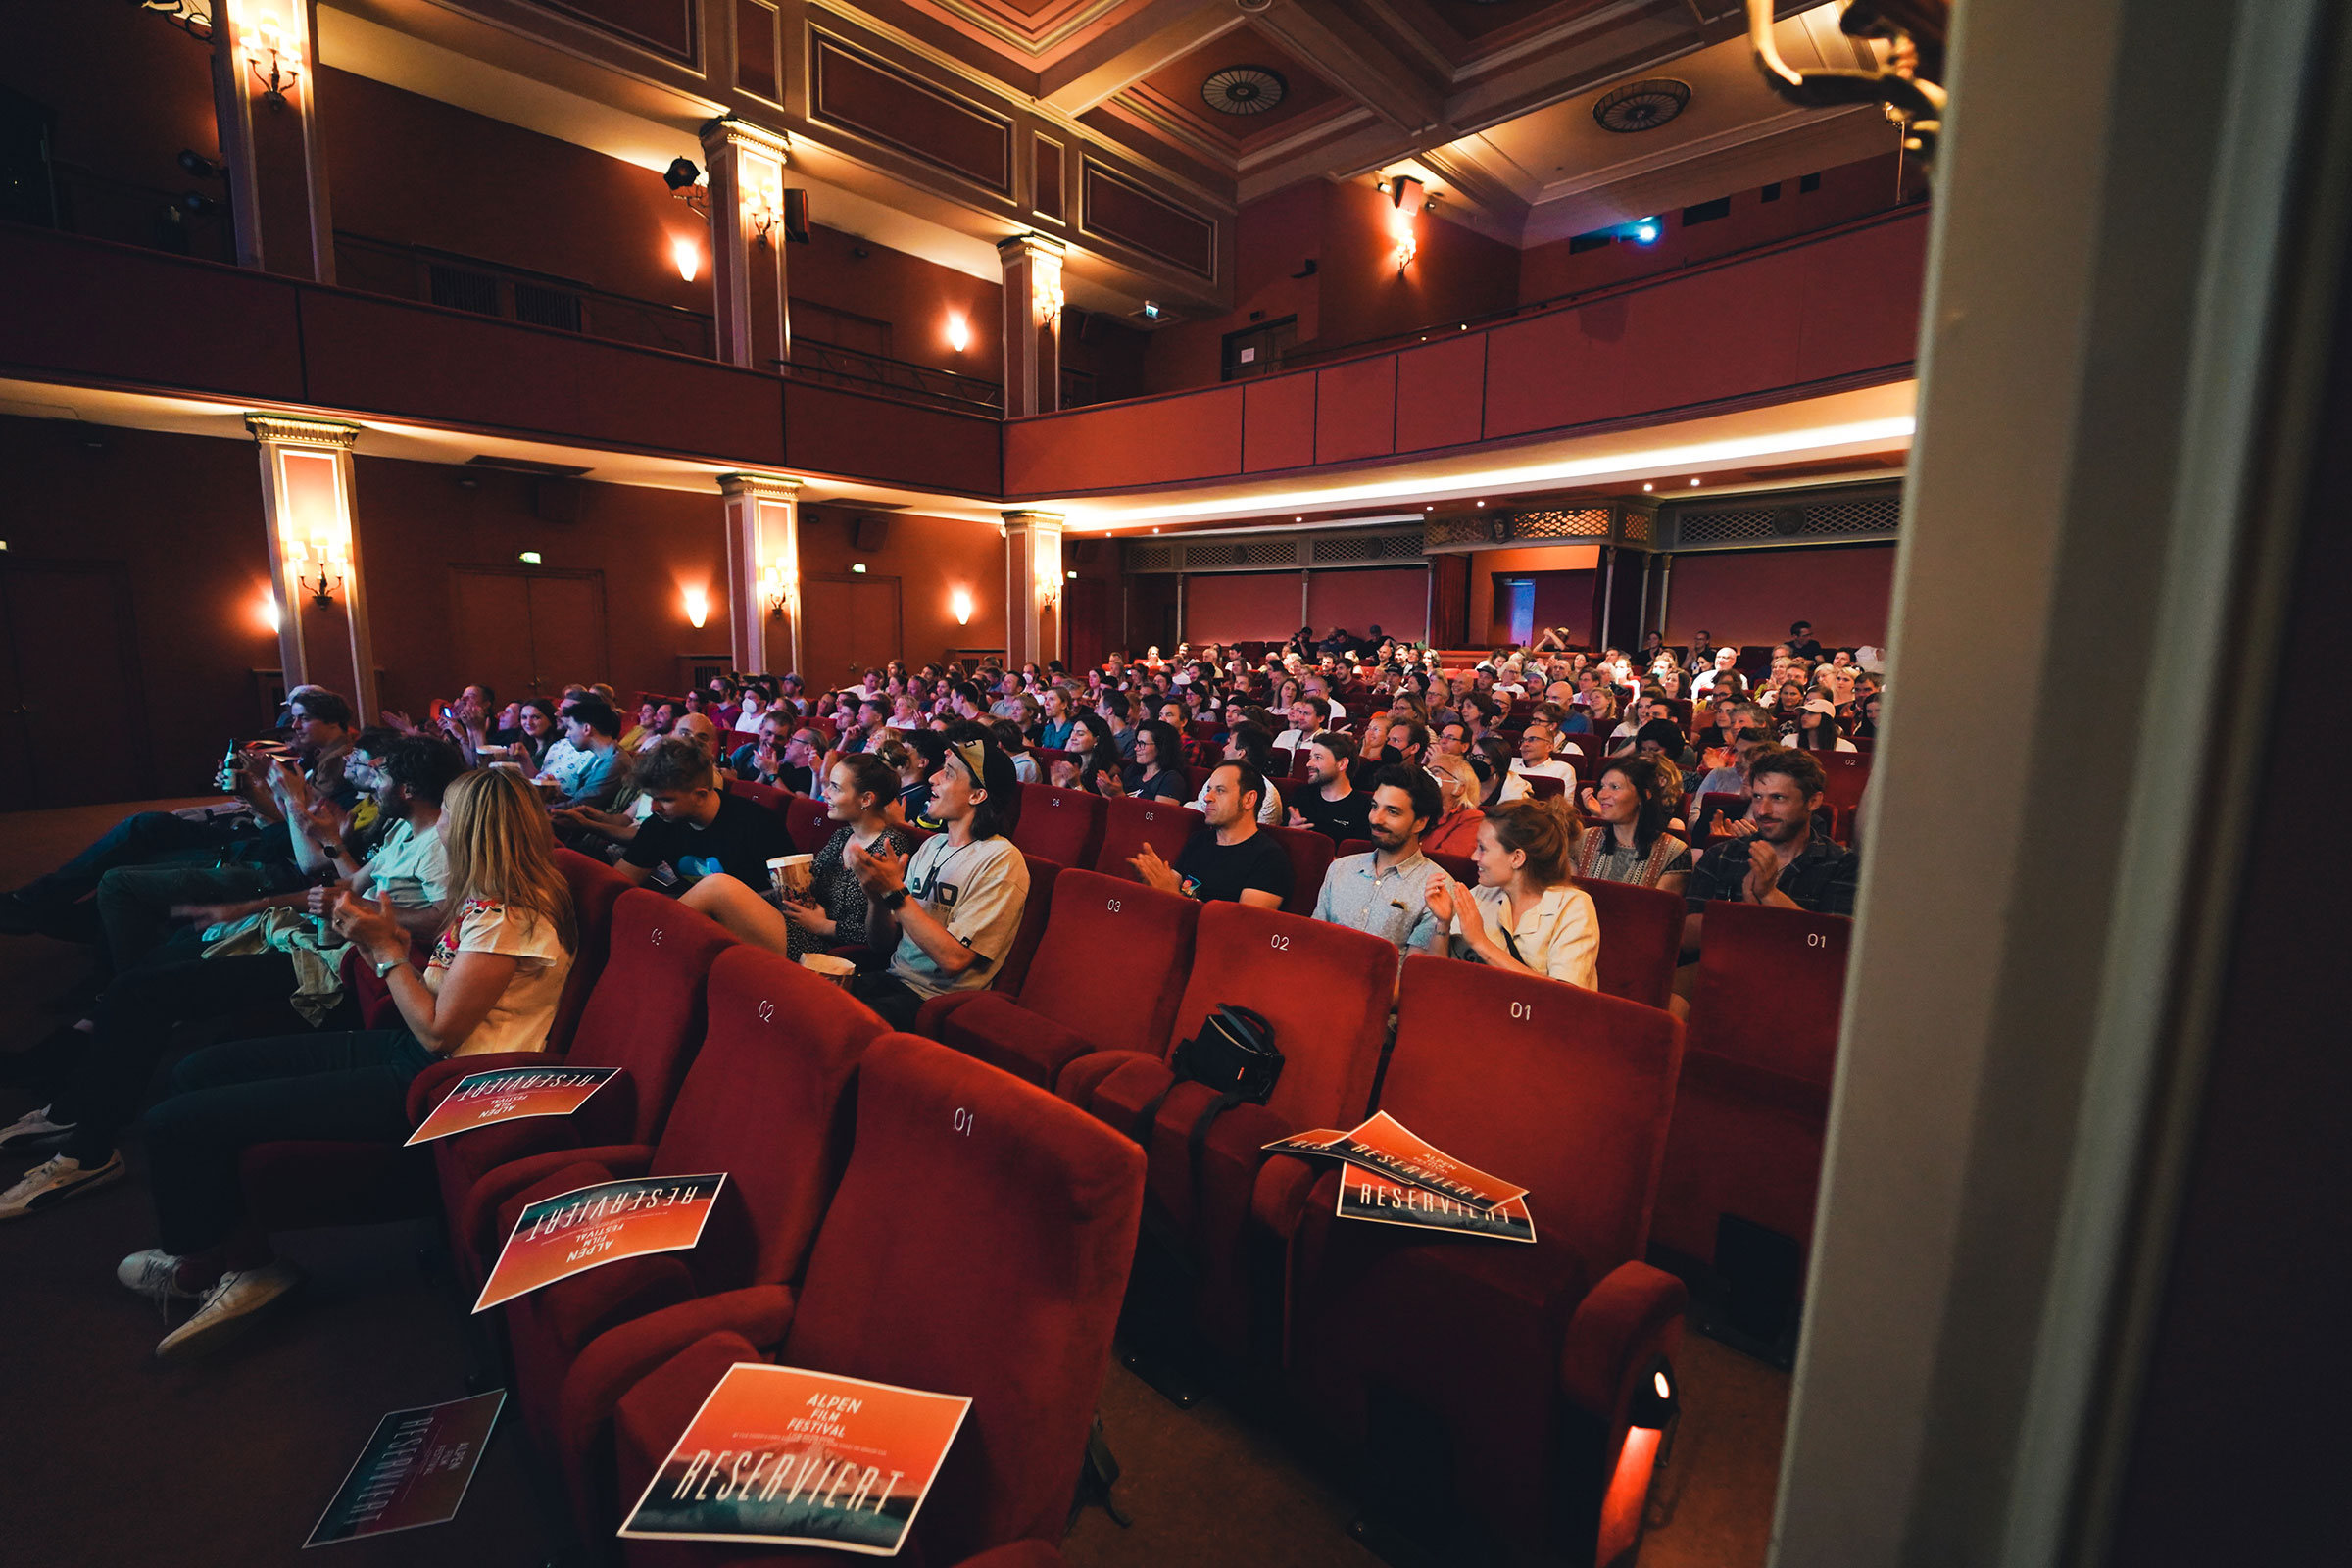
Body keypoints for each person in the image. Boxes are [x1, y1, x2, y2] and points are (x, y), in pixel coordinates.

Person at [114, 766, 576, 1358]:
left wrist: (385, 950)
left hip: (446, 1083)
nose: (441, 825)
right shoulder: (487, 899)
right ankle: (231, 1253)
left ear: (475, 830)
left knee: (173, 1123)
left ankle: (219, 1264)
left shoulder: (510, 915)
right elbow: (429, 996)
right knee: (198, 1071)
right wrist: (373, 938)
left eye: (451, 815)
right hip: (413, 1049)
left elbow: (438, 1034)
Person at [0, 734, 467, 1215]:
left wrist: (360, 908)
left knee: (145, 992)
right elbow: (342, 886)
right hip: (321, 940)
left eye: (383, 775)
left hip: (340, 969)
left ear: (408, 788)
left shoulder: (437, 846)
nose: (374, 784)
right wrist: (256, 899)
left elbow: (441, 918)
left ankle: (86, 1151)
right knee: (142, 980)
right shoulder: (401, 831)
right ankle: (77, 1112)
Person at [0, 689, 358, 937]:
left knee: (141, 836)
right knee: (146, 834)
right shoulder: (317, 760)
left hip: (271, 855)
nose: (293, 729)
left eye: (303, 720)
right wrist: (253, 789)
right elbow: (285, 819)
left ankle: (47, 909)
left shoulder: (341, 767)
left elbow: (299, 832)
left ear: (334, 723)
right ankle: (45, 906)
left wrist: (266, 790)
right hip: (262, 836)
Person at [841, 725, 1031, 1029]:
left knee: (833, 1021)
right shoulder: (932, 845)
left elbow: (954, 961)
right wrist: (876, 897)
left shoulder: (1001, 859)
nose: (933, 778)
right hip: (890, 980)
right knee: (800, 995)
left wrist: (895, 893)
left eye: (950, 773)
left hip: (932, 1003)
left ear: (978, 794)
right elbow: (882, 943)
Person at [669, 755, 915, 960]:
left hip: (826, 949)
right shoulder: (842, 836)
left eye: (835, 787)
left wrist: (825, 927)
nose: (825, 794)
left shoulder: (890, 846)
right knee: (720, 907)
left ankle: (652, 932)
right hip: (799, 924)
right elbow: (808, 887)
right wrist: (757, 900)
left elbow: (888, 935)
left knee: (718, 886)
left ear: (866, 799)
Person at [1681, 748, 1860, 952]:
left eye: (1778, 798)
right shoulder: (1722, 854)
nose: (1763, 810)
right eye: (1757, 797)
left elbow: (1834, 945)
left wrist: (1768, 894)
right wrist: (1747, 915)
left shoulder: (1842, 864)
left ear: (1813, 801)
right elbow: (1686, 937)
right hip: (1723, 976)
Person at [560, 736, 791, 888]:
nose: (654, 808)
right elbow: (619, 884)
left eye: (665, 800)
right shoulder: (660, 824)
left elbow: (790, 898)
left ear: (700, 795)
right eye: (652, 798)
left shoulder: (759, 825)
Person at [1424, 800, 1598, 990]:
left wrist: (1480, 942)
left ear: (1516, 858)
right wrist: (1443, 924)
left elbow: (1566, 995)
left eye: (1482, 848)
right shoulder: (1483, 893)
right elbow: (1437, 975)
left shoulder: (1572, 905)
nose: (1474, 857)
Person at [1311, 766, 1443, 956]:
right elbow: (1314, 936)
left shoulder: (1436, 887)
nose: (1376, 819)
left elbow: (1416, 972)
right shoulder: (1340, 868)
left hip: (1386, 984)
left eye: (1392, 812)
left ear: (1420, 822)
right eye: (1374, 806)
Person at [1135, 761, 1292, 908]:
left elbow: (1243, 926)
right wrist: (1155, 882)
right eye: (1209, 789)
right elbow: (1173, 883)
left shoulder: (1269, 858)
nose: (1207, 797)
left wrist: (1173, 895)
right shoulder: (1198, 840)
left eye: (1220, 790)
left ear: (1248, 799)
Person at [1572, 757, 1693, 894]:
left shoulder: (1673, 852)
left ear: (1644, 795)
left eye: (1615, 787)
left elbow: (1659, 911)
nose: (1602, 795)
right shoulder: (1582, 840)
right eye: (1602, 787)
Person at [1288, 732, 1374, 844]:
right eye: (1310, 757)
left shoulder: (1364, 808)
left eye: (1318, 757)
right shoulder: (1301, 795)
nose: (1308, 764)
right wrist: (1289, 832)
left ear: (1341, 764)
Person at [545, 696, 629, 808]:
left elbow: (581, 806)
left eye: (570, 728)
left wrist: (539, 809)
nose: (567, 734)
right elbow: (582, 800)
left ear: (586, 729)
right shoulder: (603, 757)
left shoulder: (614, 762)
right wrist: (560, 795)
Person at [1101, 719, 1192, 804]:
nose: (1136, 748)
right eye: (1136, 743)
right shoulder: (1133, 771)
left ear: (1161, 747)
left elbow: (1158, 817)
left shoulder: (1171, 780)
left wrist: (1120, 796)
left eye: (1142, 744)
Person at [1419, 753, 1488, 858]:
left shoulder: (1471, 818)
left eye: (1435, 772)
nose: (1426, 776)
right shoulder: (1417, 812)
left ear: (1459, 788)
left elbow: (1450, 861)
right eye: (1426, 771)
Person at [1511, 722, 1579, 784]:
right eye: (1523, 740)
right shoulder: (1509, 764)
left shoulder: (1562, 770)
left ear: (1549, 747)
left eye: (1532, 739)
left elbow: (1565, 798)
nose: (1525, 744)